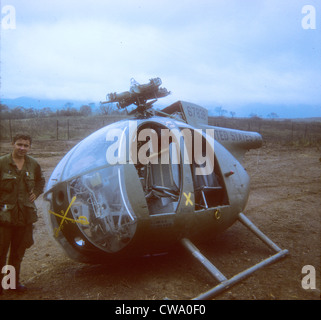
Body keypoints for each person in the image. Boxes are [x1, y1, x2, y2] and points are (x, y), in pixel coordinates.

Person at [0, 134, 45, 294]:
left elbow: (40, 180)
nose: (22, 148)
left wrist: (37, 192)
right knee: (1, 252)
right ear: (12, 144)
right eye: (19, 144)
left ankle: (11, 283)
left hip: (24, 216)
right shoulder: (2, 163)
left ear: (29, 147)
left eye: (26, 145)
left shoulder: (33, 164)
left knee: (17, 253)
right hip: (4, 217)